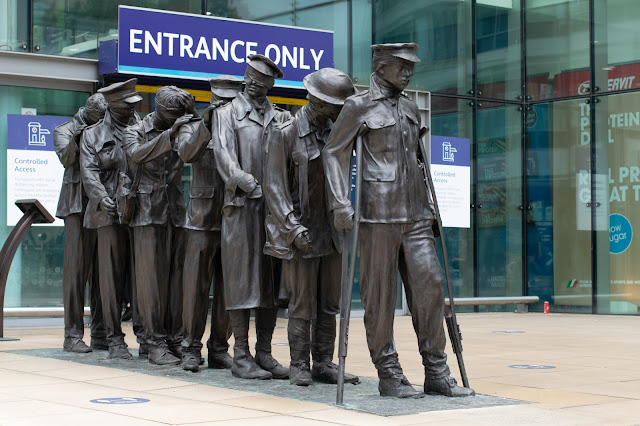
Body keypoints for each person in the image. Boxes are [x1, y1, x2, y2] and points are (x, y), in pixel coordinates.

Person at [322, 43, 475, 398]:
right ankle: (389, 372)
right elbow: (333, 153)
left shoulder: (409, 107)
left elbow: (417, 160)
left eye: (411, 68)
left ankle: (436, 370)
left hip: (417, 213)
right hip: (378, 214)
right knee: (379, 294)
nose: (409, 74)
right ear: (380, 65)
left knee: (431, 288)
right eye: (402, 67)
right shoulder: (357, 106)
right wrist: (340, 204)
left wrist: (431, 203)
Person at [263, 68, 360, 386]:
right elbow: (274, 186)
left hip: (332, 234)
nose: (339, 110)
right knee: (302, 304)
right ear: (317, 102)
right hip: (301, 235)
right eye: (335, 105)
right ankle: (299, 364)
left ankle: (324, 362)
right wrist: (291, 228)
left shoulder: (338, 131)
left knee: (329, 304)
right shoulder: (286, 132)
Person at [212, 55, 291, 380]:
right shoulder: (226, 113)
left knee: (270, 283)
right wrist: (240, 178)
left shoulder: (281, 117)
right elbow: (223, 152)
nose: (257, 85)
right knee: (242, 282)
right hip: (242, 209)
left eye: (264, 82)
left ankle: (265, 352)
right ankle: (241, 355)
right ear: (245, 79)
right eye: (253, 79)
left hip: (273, 211)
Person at [123, 85, 194, 366]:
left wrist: (193, 116)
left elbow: (196, 148)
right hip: (146, 211)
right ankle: (152, 342)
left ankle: (173, 339)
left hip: (175, 211)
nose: (175, 118)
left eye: (179, 114)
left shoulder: (182, 126)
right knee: (149, 281)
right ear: (160, 110)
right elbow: (137, 155)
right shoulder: (136, 130)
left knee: (176, 282)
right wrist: (170, 134)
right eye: (172, 113)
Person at [178, 76, 243, 372]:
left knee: (229, 290)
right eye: (221, 101)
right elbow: (186, 153)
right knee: (195, 289)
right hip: (201, 220)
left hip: (234, 218)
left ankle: (219, 348)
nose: (226, 107)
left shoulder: (242, 129)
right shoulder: (192, 126)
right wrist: (206, 125)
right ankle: (190, 347)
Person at [80, 79, 142, 360]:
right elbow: (89, 173)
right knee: (110, 278)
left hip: (138, 213)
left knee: (139, 277)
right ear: (113, 106)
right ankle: (113, 337)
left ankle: (147, 336)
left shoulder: (138, 127)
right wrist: (103, 198)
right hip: (106, 216)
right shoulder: (92, 135)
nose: (132, 110)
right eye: (127, 106)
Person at [55, 94, 108, 353]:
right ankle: (72, 335)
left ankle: (100, 332)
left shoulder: (104, 128)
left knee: (103, 271)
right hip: (77, 206)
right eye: (100, 118)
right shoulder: (64, 130)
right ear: (88, 113)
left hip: (101, 206)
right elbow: (66, 158)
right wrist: (82, 134)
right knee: (76, 273)